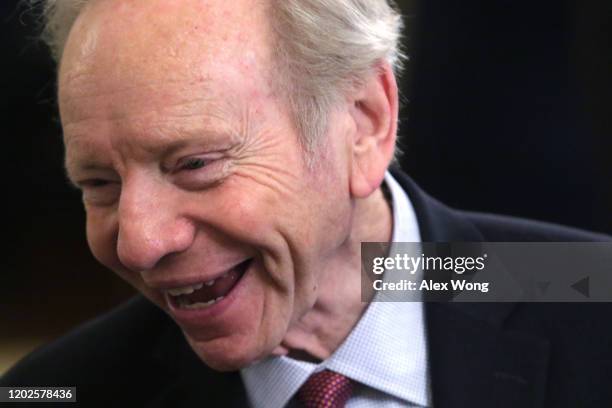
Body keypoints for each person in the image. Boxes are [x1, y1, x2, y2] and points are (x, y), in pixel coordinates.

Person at [2, 0, 611, 407]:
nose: (138, 242)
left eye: (195, 164)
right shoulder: (54, 391)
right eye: (99, 184)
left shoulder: (585, 289)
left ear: (365, 124)